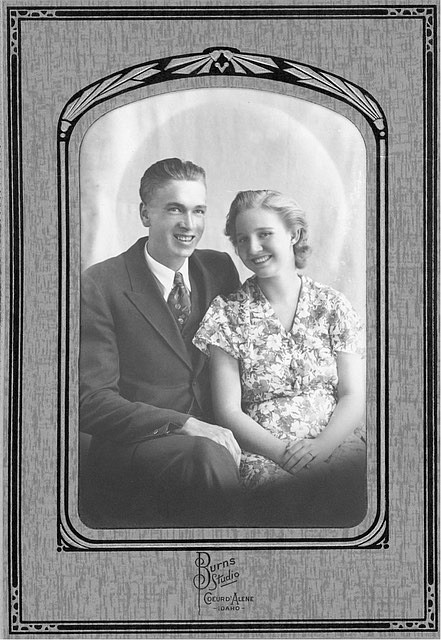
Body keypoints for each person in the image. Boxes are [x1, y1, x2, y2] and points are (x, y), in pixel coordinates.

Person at [79, 158, 242, 527]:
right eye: (175, 209)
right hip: (137, 447)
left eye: (198, 210)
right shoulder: (100, 284)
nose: (189, 224)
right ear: (144, 214)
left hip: (218, 434)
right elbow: (91, 403)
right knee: (205, 456)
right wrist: (183, 424)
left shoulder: (220, 269)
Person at [193, 190, 367, 526]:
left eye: (264, 234)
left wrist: (321, 447)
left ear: (293, 234)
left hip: (335, 442)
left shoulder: (332, 306)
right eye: (242, 240)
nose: (253, 248)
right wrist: (283, 454)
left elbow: (353, 394)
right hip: (265, 454)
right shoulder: (226, 314)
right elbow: (227, 410)